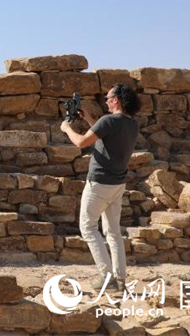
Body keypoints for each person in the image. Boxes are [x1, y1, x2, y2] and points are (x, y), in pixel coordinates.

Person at [60, 84, 140, 293]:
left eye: (108, 98)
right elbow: (105, 133)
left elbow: (81, 142)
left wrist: (67, 128)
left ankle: (107, 277)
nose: (105, 100)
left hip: (99, 183)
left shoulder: (109, 121)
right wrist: (87, 118)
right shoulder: (131, 124)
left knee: (87, 227)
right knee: (113, 231)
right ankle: (120, 279)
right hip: (117, 184)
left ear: (117, 100)